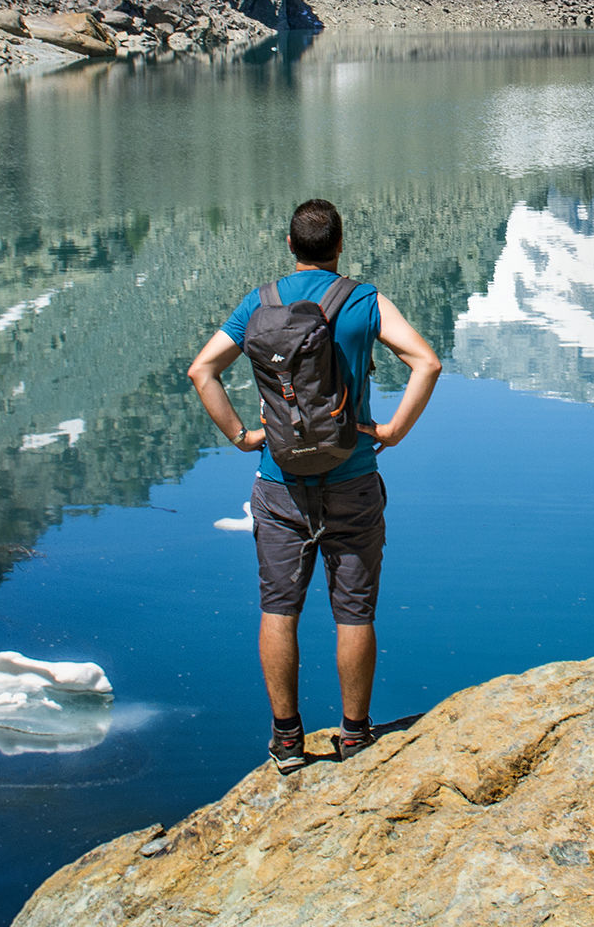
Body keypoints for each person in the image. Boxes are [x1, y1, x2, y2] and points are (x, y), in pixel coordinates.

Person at [187, 198, 442, 772]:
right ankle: (354, 736)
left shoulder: (259, 303)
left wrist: (241, 437)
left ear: (290, 245)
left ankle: (286, 741)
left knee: (279, 608)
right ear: (340, 244)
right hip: (352, 478)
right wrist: (393, 430)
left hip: (279, 482)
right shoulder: (363, 300)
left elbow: (202, 370)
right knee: (354, 612)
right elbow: (426, 363)